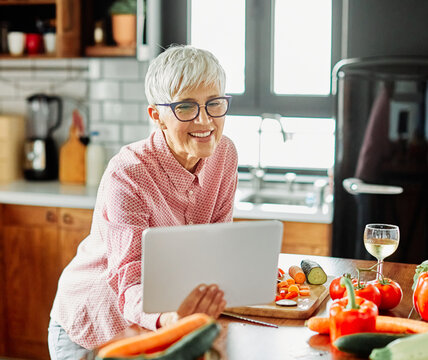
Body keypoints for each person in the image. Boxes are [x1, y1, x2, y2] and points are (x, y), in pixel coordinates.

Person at [48, 45, 238, 359]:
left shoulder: (225, 154)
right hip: (93, 330)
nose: (205, 120)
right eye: (186, 107)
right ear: (157, 116)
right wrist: (171, 319)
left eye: (214, 103)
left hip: (166, 325)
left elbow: (215, 249)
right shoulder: (129, 173)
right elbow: (130, 278)